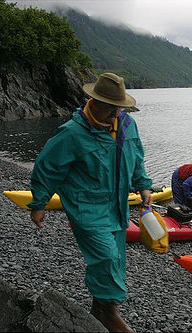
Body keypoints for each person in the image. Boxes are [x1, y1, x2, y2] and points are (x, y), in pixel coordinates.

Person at [28, 72, 152, 333]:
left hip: (118, 207)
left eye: (118, 108)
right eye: (109, 107)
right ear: (93, 102)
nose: (115, 113)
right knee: (105, 258)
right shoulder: (72, 134)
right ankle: (109, 314)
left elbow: (136, 156)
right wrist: (39, 203)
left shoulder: (127, 125)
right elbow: (47, 167)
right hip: (86, 209)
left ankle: (99, 308)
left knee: (115, 259)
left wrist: (143, 185)